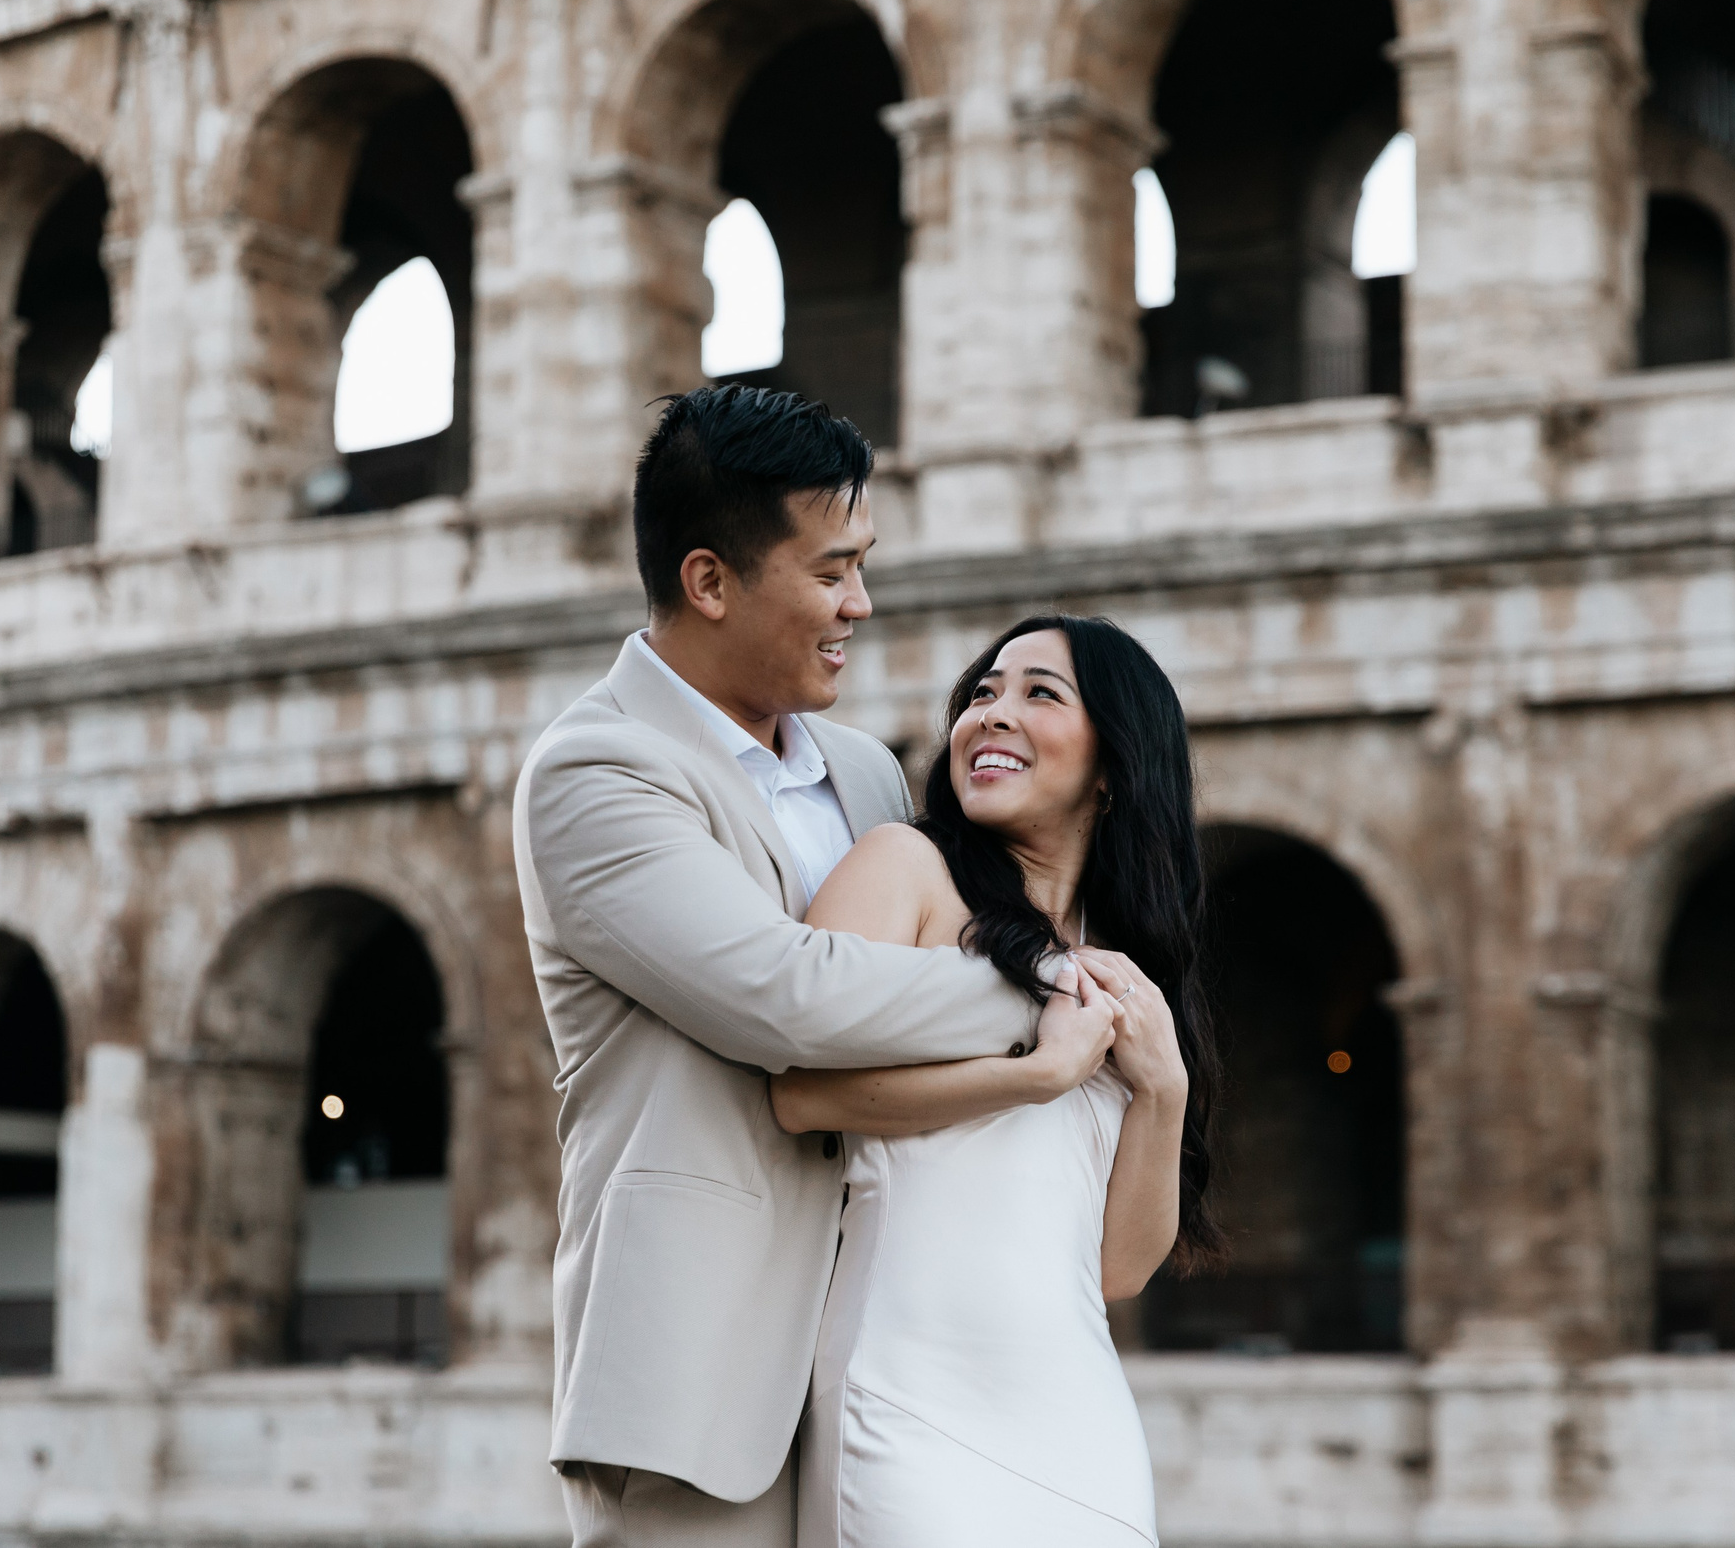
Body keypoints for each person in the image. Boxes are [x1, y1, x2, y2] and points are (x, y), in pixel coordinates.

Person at [516, 385, 1113, 1547]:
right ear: (709, 581)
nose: (861, 602)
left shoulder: (866, 773)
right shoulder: (594, 771)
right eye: (832, 570)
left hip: (890, 1360)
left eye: (863, 563)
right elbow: (788, 1000)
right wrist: (1058, 989)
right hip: (702, 1367)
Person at [773, 614, 1223, 1547]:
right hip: (904, 1399)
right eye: (982, 693)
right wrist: (1038, 1073)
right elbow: (800, 1092)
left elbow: (1116, 1269)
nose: (991, 714)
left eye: (1038, 693)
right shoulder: (907, 866)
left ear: (1113, 763)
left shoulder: (1127, 963)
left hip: (1079, 1421)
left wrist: (1164, 1090)